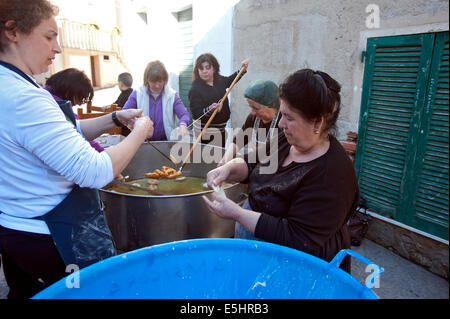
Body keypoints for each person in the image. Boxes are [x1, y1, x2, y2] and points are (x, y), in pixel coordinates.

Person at [0, 0, 154, 299]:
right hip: (51, 236)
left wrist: (112, 119)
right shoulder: (23, 98)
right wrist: (139, 132)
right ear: (13, 32)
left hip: (17, 226)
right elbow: (94, 171)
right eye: (48, 36)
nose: (57, 48)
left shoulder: (10, 86)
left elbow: (60, 138)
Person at [203, 69, 359, 272]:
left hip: (295, 268)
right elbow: (252, 162)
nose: (282, 123)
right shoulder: (288, 139)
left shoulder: (332, 174)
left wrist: (237, 213)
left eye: (289, 117)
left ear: (318, 122)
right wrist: (228, 169)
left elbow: (297, 237)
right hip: (258, 249)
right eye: (281, 114)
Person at [188, 53, 249, 147]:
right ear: (197, 70)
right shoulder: (195, 89)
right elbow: (197, 113)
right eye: (201, 68)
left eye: (207, 67)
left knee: (219, 158)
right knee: (206, 160)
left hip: (221, 132)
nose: (204, 71)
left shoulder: (219, 81)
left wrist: (242, 70)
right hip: (205, 135)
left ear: (214, 68)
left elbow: (231, 80)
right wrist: (210, 109)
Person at [218, 79, 281, 167]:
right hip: (256, 167)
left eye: (256, 108)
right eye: (251, 107)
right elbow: (239, 139)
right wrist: (225, 160)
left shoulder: (283, 122)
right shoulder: (253, 118)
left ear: (270, 105)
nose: (252, 112)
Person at [123, 60, 190, 141]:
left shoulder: (172, 95)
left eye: (160, 81)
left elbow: (184, 114)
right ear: (147, 79)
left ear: (165, 80)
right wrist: (132, 123)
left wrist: (183, 125)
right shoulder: (138, 93)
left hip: (167, 141)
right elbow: (124, 113)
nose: (157, 85)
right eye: (153, 81)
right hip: (143, 141)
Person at [44, 67, 104, 152]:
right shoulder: (57, 105)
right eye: (81, 98)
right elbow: (78, 132)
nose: (80, 103)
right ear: (70, 91)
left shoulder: (46, 94)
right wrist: (103, 153)